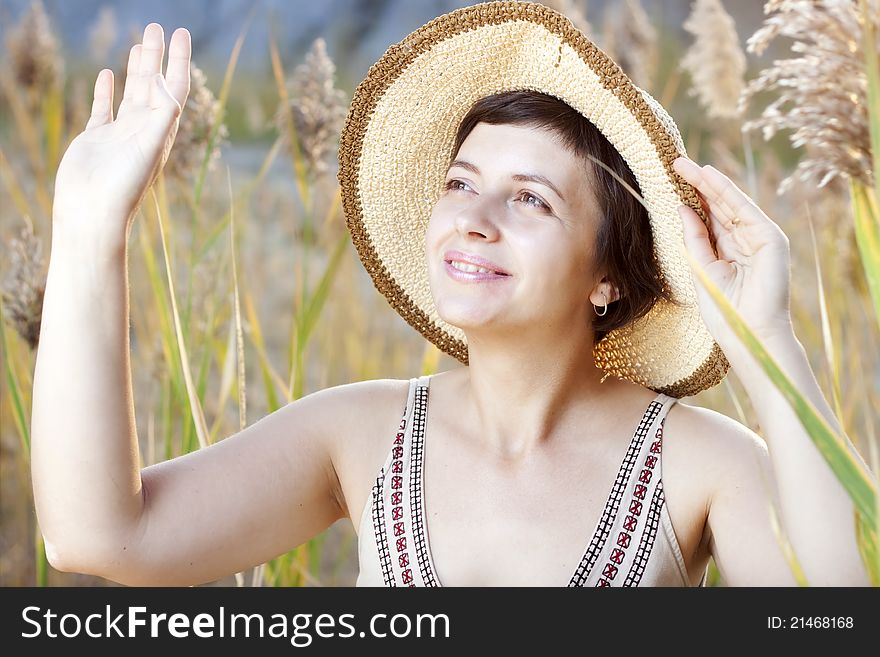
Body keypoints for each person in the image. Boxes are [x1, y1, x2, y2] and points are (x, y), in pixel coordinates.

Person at [31, 1, 873, 587]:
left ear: (608, 274)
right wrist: (89, 230)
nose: (474, 219)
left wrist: (766, 336)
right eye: (462, 182)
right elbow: (99, 535)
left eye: (532, 198)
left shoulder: (700, 462)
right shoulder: (357, 434)